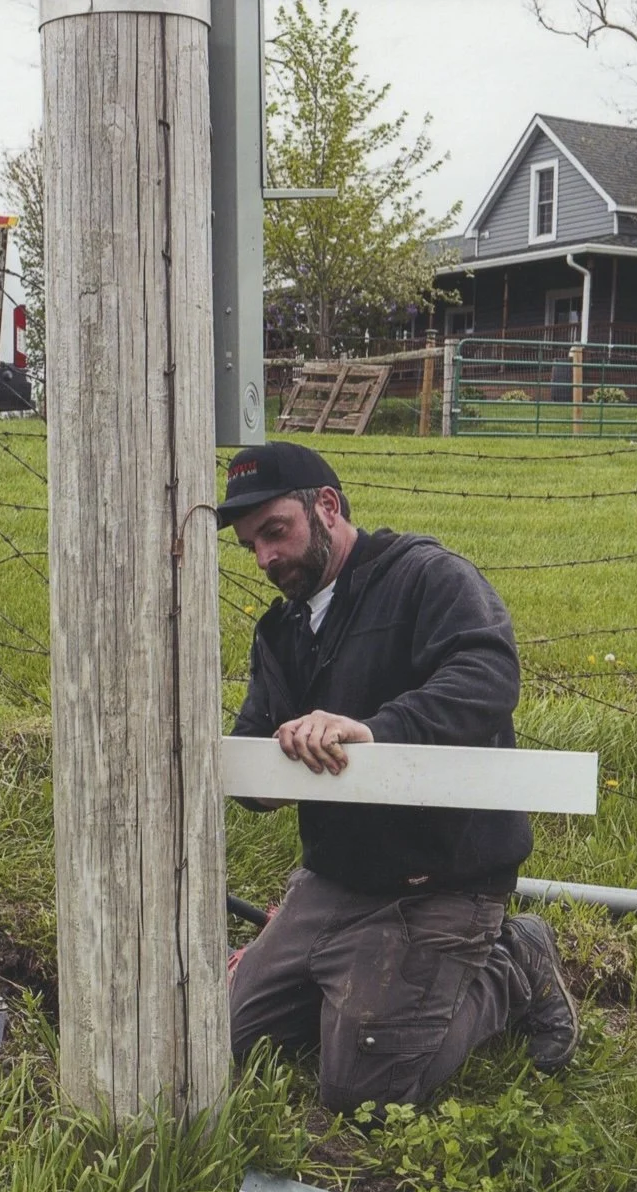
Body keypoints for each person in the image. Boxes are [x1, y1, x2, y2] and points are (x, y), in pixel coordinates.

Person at [220, 440, 578, 1112]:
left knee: (363, 1097)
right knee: (228, 1038)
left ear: (325, 506)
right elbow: (250, 740)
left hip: (442, 879)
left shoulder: (426, 577)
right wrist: (262, 777)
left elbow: (487, 677)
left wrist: (374, 732)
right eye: (251, 547)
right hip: (334, 879)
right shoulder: (282, 629)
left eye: (276, 533)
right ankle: (354, 990)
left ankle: (513, 966)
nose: (266, 559)